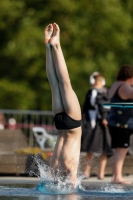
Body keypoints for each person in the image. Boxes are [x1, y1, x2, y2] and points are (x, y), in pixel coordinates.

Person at [44, 23, 82, 186]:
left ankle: (56, 46)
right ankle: (48, 47)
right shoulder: (53, 169)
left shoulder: (69, 169)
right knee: (54, 84)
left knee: (65, 84)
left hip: (72, 126)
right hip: (59, 123)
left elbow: (73, 186)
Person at [81, 72, 112, 179]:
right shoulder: (93, 92)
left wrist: (104, 117)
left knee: (104, 148)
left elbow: (104, 106)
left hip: (101, 123)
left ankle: (97, 172)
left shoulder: (103, 92)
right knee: (91, 147)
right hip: (93, 123)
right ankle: (89, 171)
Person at [108, 64, 133, 184]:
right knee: (121, 149)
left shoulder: (115, 84)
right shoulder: (124, 86)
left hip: (114, 121)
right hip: (122, 123)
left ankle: (115, 176)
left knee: (118, 149)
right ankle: (117, 177)